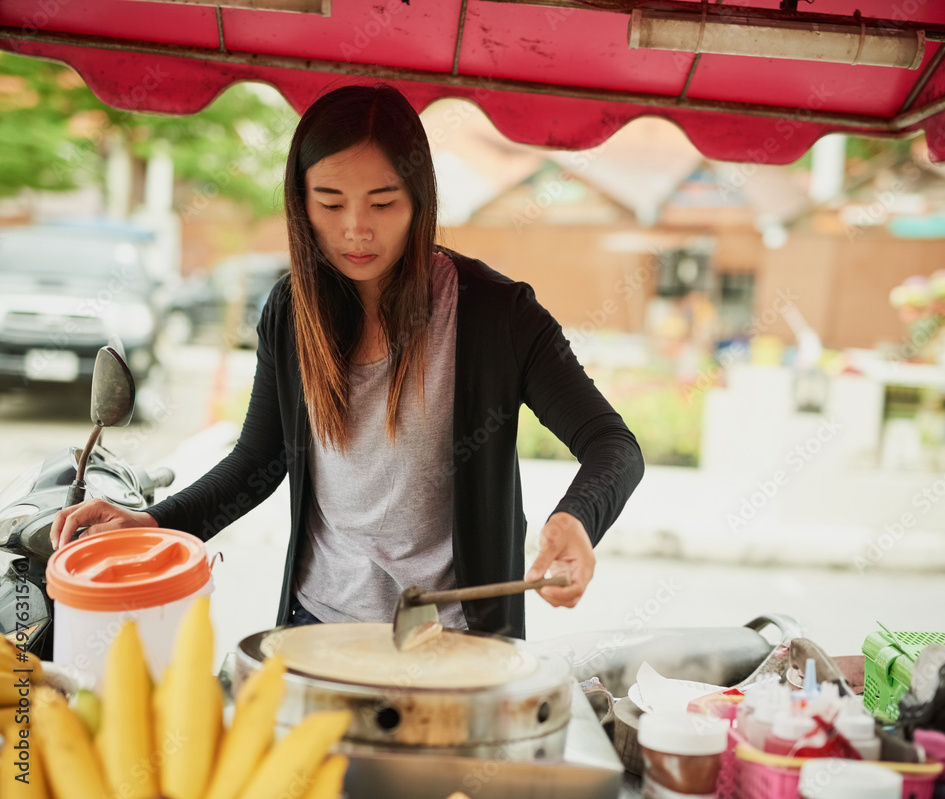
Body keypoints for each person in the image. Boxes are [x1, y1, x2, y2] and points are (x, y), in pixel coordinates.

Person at [50, 84, 644, 638]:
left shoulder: (495, 313)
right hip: (318, 621)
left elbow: (613, 445)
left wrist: (575, 520)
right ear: (301, 204)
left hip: (456, 638)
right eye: (330, 203)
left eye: (382, 203)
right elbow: (259, 459)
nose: (356, 230)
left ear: (419, 199)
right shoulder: (291, 311)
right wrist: (153, 523)